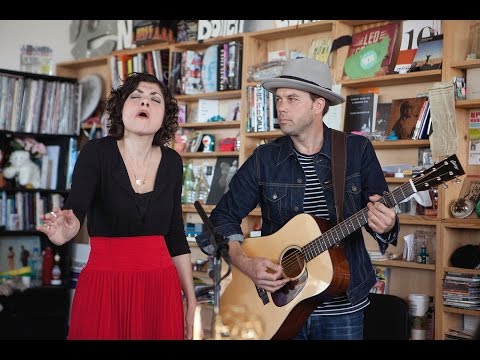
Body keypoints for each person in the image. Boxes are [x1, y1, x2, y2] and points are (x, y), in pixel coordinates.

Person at [196, 58, 399, 340]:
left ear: (319, 105)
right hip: (279, 307)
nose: (281, 107)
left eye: (292, 98)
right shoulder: (264, 160)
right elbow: (220, 219)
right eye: (279, 99)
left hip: (342, 308)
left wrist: (386, 224)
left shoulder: (357, 150)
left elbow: (382, 214)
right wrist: (245, 262)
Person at [36, 72, 196, 340]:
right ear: (121, 108)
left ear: (165, 116)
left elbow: (176, 235)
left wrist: (190, 299)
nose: (145, 103)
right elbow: (74, 210)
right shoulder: (96, 152)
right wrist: (67, 229)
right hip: (104, 285)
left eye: (154, 99)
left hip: (160, 287)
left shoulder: (172, 162)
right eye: (136, 97)